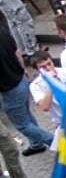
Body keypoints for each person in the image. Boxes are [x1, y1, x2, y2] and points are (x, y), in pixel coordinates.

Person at [0, 25, 53, 154]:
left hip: (9, 89)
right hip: (20, 79)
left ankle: (55, 142)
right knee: (26, 115)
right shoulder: (2, 30)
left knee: (23, 125)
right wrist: (23, 69)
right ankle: (36, 143)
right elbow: (17, 52)